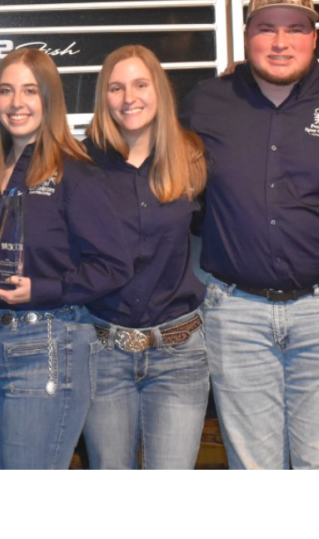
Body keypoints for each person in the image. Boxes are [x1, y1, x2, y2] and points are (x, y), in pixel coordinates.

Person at [180, 0, 319, 469]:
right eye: (266, 28)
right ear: (247, 36)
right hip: (236, 313)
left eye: (295, 29)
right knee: (255, 472)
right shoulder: (203, 104)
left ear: (314, 38)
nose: (279, 42)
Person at [0, 48, 131, 469]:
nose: (16, 103)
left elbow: (114, 265)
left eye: (29, 91)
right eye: (6, 91)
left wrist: (43, 290)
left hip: (47, 344)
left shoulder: (76, 172)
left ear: (50, 99)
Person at [81, 45, 209, 469]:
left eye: (139, 84)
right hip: (103, 354)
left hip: (179, 356)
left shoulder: (191, 158)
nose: (127, 97)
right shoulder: (81, 163)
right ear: (104, 98)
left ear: (160, 90)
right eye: (115, 88)